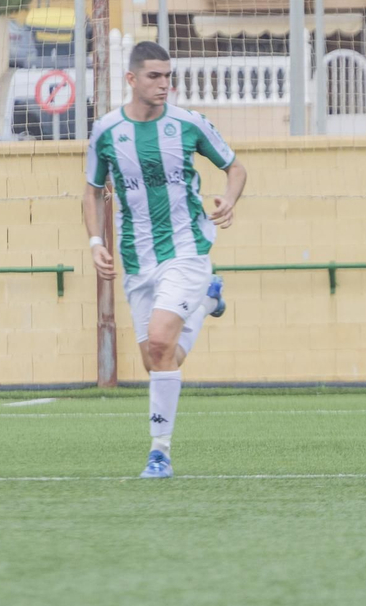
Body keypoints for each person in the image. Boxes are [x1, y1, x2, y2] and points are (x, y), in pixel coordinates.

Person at [83, 41, 247, 478]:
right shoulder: (106, 132)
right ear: (131, 79)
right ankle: (208, 301)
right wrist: (96, 241)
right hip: (137, 261)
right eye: (154, 76)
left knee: (159, 342)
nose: (164, 84)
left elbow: (235, 168)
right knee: (158, 359)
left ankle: (160, 452)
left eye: (167, 76)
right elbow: (92, 190)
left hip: (187, 250)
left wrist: (228, 201)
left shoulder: (188, 124)